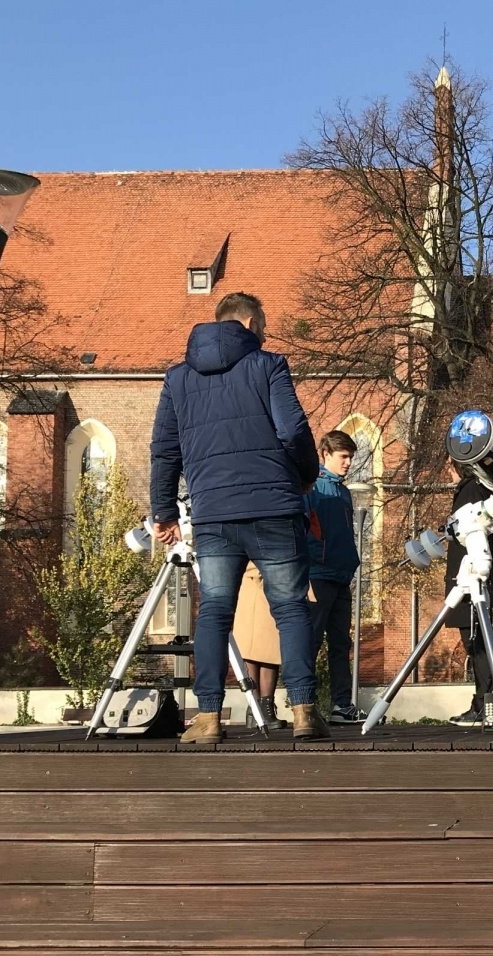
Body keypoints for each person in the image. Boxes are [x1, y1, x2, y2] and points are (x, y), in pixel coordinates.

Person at [149, 291, 324, 744]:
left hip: (214, 515)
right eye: (262, 325)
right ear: (248, 324)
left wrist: (164, 512)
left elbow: (165, 451)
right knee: (290, 609)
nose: (265, 333)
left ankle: (208, 717)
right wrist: (307, 476)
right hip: (274, 508)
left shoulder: (177, 379)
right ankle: (304, 711)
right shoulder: (269, 366)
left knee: (214, 612)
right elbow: (293, 429)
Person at [444, 468, 493, 726]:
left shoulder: (471, 490)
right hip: (482, 581)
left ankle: (485, 708)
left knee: (480, 648)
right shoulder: (482, 488)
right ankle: (485, 708)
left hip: (476, 584)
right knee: (483, 648)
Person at [305, 430, 364, 724]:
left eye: (350, 457)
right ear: (325, 454)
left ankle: (342, 705)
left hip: (341, 576)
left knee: (341, 644)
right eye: (343, 456)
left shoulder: (344, 492)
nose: (348, 462)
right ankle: (305, 704)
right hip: (318, 575)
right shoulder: (312, 487)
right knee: (311, 641)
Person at [230, 565, 285, 729]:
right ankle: (256, 708)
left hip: (271, 580)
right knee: (251, 648)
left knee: (270, 647)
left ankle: (264, 708)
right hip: (255, 579)